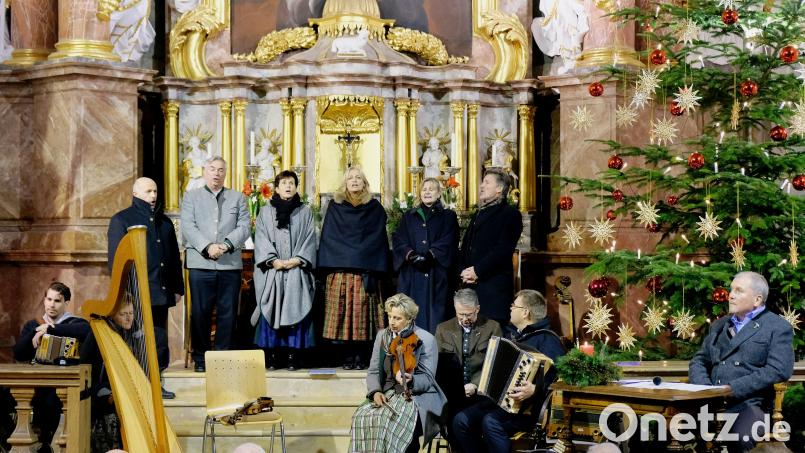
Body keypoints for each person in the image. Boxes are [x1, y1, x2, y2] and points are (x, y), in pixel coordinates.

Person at [689, 271, 794, 453]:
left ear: (757, 300)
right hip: (708, 403)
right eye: (731, 290)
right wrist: (705, 390)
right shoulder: (719, 325)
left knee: (742, 436)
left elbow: (779, 370)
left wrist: (732, 388)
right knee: (669, 428)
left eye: (739, 290)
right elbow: (699, 361)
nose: (731, 295)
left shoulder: (777, 327)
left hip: (749, 404)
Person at [452, 289, 565, 453]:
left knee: (490, 422)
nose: (510, 309)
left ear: (525, 312)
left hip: (527, 410)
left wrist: (536, 388)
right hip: (498, 404)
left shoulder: (547, 339)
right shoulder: (509, 335)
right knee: (461, 420)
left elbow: (560, 375)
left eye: (514, 306)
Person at [108, 177, 183, 398]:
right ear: (136, 193)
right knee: (137, 338)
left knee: (159, 339)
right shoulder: (122, 219)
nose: (153, 195)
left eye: (155, 191)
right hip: (135, 291)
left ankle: (156, 383)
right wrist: (123, 292)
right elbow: (115, 261)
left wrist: (177, 287)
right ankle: (137, 384)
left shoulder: (164, 222)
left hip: (160, 290)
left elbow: (173, 258)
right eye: (149, 191)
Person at [349, 293, 447, 453]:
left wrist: (411, 380)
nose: (392, 322)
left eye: (398, 318)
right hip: (387, 394)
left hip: (417, 397)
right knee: (362, 417)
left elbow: (428, 379)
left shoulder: (425, 339)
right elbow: (373, 370)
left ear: (409, 319)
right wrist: (375, 392)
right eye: (390, 317)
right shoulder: (383, 336)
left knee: (391, 422)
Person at [180, 157, 250, 372]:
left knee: (227, 313)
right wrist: (207, 246)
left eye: (221, 170)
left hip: (229, 265)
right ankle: (201, 358)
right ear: (204, 171)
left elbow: (244, 226)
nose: (216, 173)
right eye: (212, 169)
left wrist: (226, 245)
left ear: (226, 173)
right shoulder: (191, 197)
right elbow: (188, 226)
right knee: (200, 312)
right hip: (200, 264)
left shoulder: (237, 197)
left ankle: (222, 358)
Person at [318, 166, 390, 370]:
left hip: (365, 272)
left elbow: (377, 239)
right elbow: (330, 237)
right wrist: (349, 257)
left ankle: (361, 356)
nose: (355, 181)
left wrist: (361, 257)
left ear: (365, 183)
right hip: (341, 272)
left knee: (362, 317)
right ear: (345, 183)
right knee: (343, 316)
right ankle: (347, 357)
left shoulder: (374, 207)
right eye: (351, 178)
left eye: (359, 177)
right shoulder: (335, 206)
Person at [13, 282, 91, 451]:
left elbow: (86, 330)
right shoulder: (33, 324)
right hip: (32, 383)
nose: (51, 304)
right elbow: (19, 353)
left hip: (58, 385)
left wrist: (51, 329)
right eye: (49, 299)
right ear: (44, 300)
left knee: (50, 398)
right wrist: (38, 331)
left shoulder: (73, 323)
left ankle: (45, 442)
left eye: (57, 300)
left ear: (66, 303)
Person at [251, 170, 316, 370]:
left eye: (292, 183)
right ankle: (271, 356)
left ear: (296, 187)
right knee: (272, 307)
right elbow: (260, 237)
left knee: (295, 306)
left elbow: (310, 237)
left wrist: (298, 259)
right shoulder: (265, 211)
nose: (288, 186)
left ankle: (292, 356)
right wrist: (273, 261)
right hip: (273, 270)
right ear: (276, 188)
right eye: (284, 183)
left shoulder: (305, 212)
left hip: (297, 268)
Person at [434, 288, 501, 446]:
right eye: (460, 314)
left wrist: (476, 385)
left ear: (477, 309)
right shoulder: (443, 329)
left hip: (482, 394)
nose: (464, 318)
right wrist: (455, 388)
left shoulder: (492, 327)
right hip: (453, 395)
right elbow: (439, 365)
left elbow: (496, 364)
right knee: (452, 426)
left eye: (469, 314)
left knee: (467, 423)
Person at [392, 177, 458, 333]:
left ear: (439, 193)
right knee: (409, 314)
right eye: (424, 189)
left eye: (431, 189)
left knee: (436, 317)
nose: (427, 192)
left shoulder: (448, 216)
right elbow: (399, 239)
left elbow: (449, 239)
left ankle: (435, 353)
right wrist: (411, 255)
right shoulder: (409, 216)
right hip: (412, 274)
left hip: (436, 273)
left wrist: (430, 255)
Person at [458, 168, 523, 325]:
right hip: (471, 289)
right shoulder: (478, 213)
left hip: (493, 290)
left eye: (487, 182)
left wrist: (477, 271)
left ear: (499, 189)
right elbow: (466, 246)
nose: (481, 186)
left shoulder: (510, 214)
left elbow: (503, 250)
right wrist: (464, 271)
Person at [80, 301, 138, 453]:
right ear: (112, 316)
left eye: (131, 313)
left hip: (119, 390)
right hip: (96, 390)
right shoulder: (98, 334)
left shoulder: (133, 335)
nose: (128, 318)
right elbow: (84, 368)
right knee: (115, 402)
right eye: (123, 314)